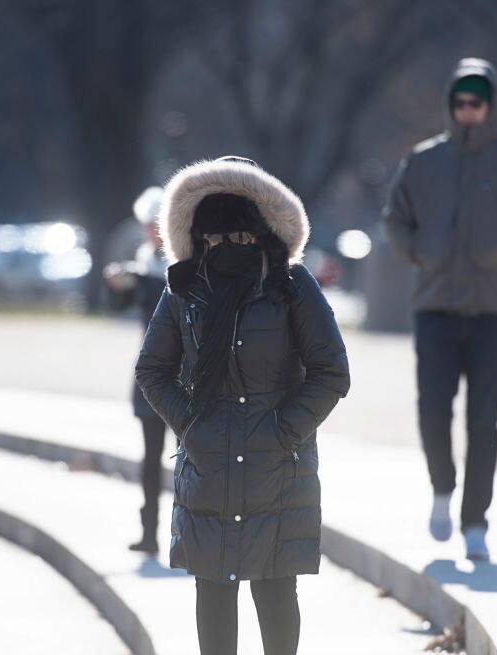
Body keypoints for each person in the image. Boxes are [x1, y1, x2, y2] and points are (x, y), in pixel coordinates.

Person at [136, 156, 350, 655]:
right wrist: (190, 423)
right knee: (213, 592)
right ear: (198, 237)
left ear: (262, 234)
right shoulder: (185, 290)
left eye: (239, 236)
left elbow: (331, 371)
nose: (226, 247)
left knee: (275, 590)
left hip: (279, 467)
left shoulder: (291, 286)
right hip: (208, 466)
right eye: (214, 237)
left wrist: (283, 430)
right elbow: (152, 369)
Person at [382, 57, 497, 560]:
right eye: (460, 102)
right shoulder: (422, 161)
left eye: (476, 102)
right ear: (450, 105)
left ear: (492, 104)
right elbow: (395, 219)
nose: (468, 111)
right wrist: (420, 250)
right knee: (432, 411)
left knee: (484, 420)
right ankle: (443, 488)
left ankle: (475, 520)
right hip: (435, 306)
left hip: (495, 312)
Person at [104, 186, 170, 554]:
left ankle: (186, 532)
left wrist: (141, 280)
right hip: (150, 371)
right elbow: (121, 305)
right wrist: (117, 283)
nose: (150, 232)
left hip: (183, 374)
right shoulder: (146, 260)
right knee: (150, 457)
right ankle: (149, 531)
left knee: (187, 458)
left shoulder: (181, 264)